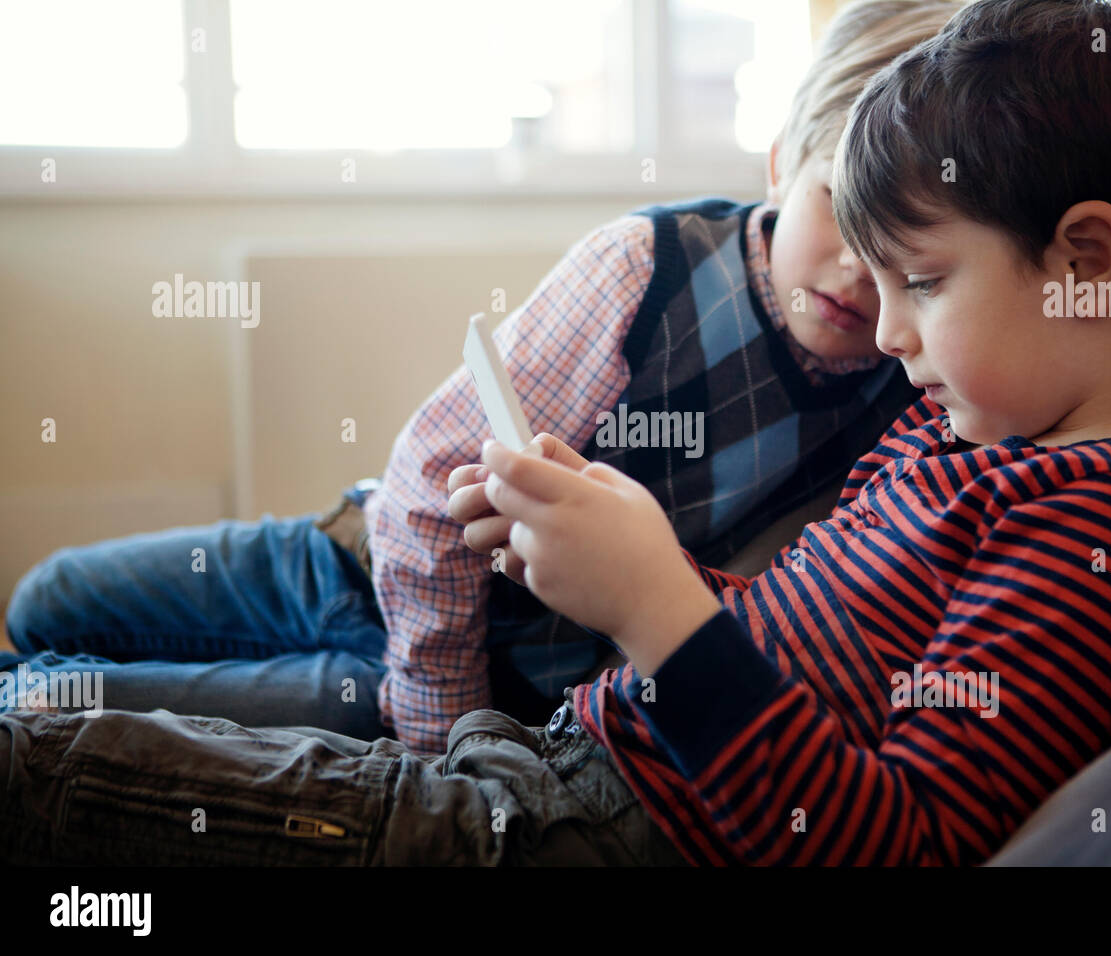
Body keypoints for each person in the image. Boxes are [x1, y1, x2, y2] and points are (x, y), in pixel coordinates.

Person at [0, 0, 1111, 866]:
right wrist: (622, 553)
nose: (889, 334)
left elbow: (883, 840)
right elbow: (780, 648)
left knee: (53, 769)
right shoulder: (985, 432)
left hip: (568, 826)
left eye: (920, 281)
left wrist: (651, 601)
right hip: (533, 744)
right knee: (66, 693)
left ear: (1087, 261)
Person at [1, 1, 965, 751]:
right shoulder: (646, 266)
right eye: (840, 210)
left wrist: (448, 738)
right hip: (368, 572)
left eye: (904, 251)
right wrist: (437, 719)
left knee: (44, 701)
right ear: (781, 164)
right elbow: (430, 489)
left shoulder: (916, 387)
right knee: (48, 604)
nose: (854, 271)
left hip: (497, 689)